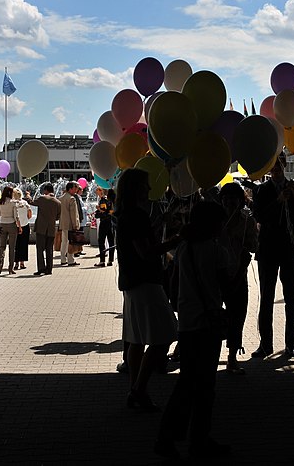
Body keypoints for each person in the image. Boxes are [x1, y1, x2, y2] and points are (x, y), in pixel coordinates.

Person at [155, 201, 232, 459]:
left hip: (188, 323)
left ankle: (170, 437)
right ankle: (198, 439)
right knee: (205, 385)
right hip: (208, 324)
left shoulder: (184, 248)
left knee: (186, 383)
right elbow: (226, 287)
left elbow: (175, 285)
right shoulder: (215, 251)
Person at [115, 168, 178, 410]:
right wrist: (174, 242)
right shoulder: (137, 216)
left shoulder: (125, 215)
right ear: (136, 189)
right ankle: (139, 388)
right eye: (145, 185)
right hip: (146, 283)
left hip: (131, 283)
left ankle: (135, 389)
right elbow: (146, 252)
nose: (150, 189)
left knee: (136, 339)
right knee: (164, 336)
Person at [251, 152, 294, 358]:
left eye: (279, 164)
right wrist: (278, 201)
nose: (276, 167)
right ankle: (265, 344)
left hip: (290, 250)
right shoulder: (261, 191)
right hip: (268, 249)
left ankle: (291, 344)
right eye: (273, 164)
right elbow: (259, 216)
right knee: (266, 298)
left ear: (285, 165)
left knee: (291, 299)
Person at [218, 182, 258, 374]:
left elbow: (254, 246)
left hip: (239, 273)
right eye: (225, 199)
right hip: (217, 274)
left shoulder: (247, 221)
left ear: (240, 201)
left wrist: (243, 243)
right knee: (213, 314)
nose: (229, 203)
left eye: (233, 199)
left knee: (238, 315)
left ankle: (232, 357)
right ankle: (212, 351)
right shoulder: (216, 220)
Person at [26, 183, 61, 275]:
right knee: (49, 249)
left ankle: (41, 268)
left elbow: (31, 202)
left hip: (41, 228)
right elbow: (58, 217)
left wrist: (28, 195)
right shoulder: (58, 202)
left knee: (40, 249)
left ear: (45, 190)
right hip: (51, 229)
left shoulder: (42, 198)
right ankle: (49, 269)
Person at [0, 186, 21, 275]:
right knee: (12, 247)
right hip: (11, 224)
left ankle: (0, 264)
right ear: (10, 193)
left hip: (2, 224)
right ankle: (10, 268)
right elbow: (16, 216)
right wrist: (20, 226)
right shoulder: (13, 203)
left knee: (2, 246)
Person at [58, 181, 80, 266]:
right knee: (71, 242)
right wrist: (75, 225)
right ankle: (71, 260)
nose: (75, 190)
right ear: (70, 189)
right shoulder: (71, 199)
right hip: (70, 224)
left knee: (64, 242)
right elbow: (73, 214)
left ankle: (63, 259)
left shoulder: (61, 198)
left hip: (63, 224)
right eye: (74, 188)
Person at [95, 187, 115, 267]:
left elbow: (104, 211)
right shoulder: (111, 200)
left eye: (97, 191)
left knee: (101, 241)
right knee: (111, 241)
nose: (97, 193)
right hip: (110, 222)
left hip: (104, 222)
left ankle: (102, 261)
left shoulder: (103, 200)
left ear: (101, 191)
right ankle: (110, 260)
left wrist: (98, 209)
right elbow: (111, 211)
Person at [13, 188, 32, 271]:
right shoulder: (25, 203)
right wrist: (26, 218)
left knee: (16, 245)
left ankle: (16, 262)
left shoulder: (13, 204)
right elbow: (30, 214)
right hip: (25, 225)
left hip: (16, 226)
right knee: (24, 245)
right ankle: (22, 262)